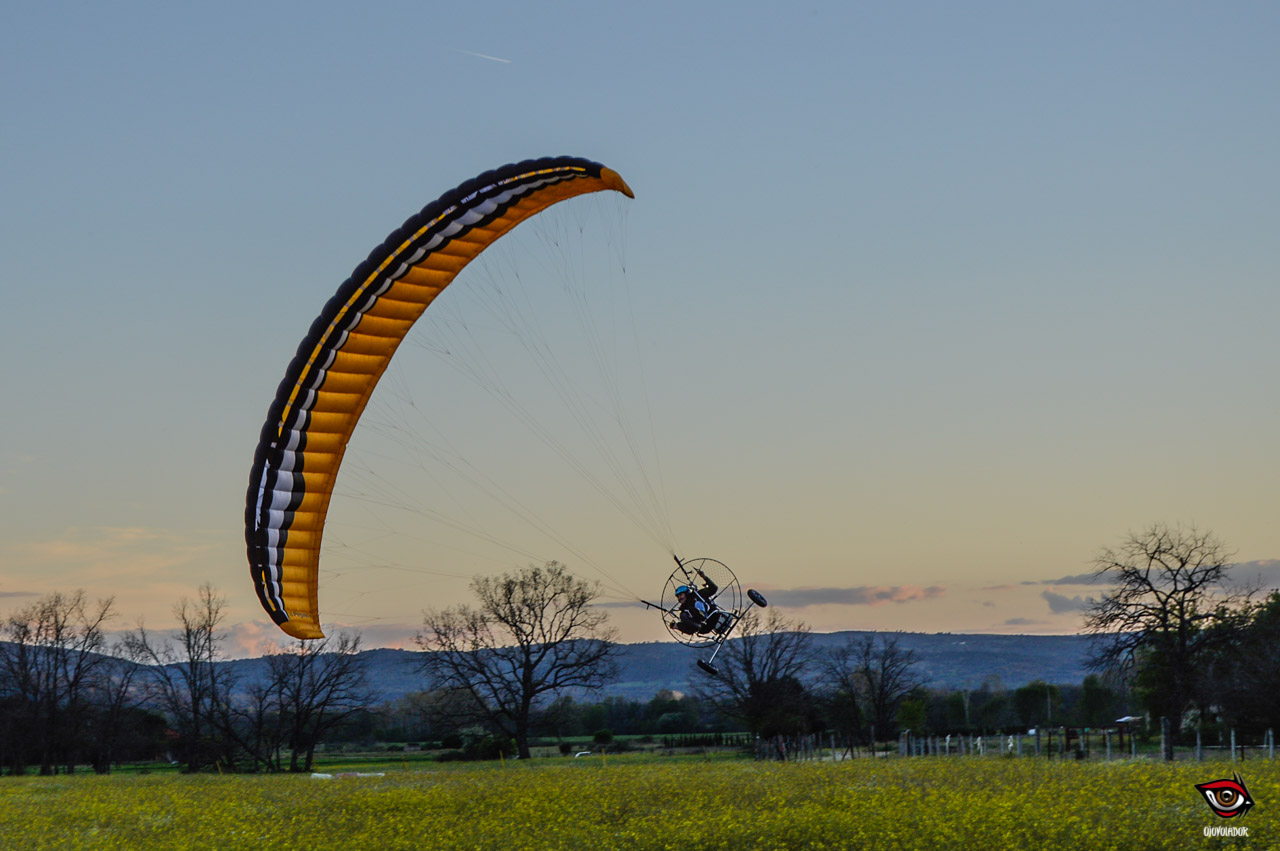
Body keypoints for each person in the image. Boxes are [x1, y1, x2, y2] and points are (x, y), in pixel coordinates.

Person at [671, 570, 727, 635]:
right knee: (683, 616)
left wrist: (704, 577)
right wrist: (678, 626)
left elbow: (714, 588)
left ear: (686, 593)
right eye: (678, 597)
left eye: (681, 595)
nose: (679, 598)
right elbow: (690, 630)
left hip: (714, 615)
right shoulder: (685, 612)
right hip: (705, 627)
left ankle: (702, 618)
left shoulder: (698, 595)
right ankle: (694, 624)